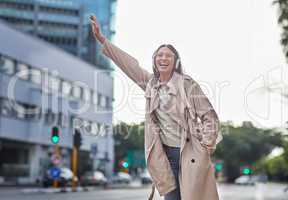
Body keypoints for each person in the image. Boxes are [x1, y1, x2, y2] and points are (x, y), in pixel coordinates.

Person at [90, 15, 222, 200]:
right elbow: (129, 65)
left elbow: (210, 116)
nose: (163, 58)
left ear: (175, 61)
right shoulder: (151, 84)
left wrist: (205, 147)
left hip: (187, 154)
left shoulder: (187, 85)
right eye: (159, 55)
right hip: (163, 154)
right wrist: (103, 40)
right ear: (154, 60)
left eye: (168, 55)